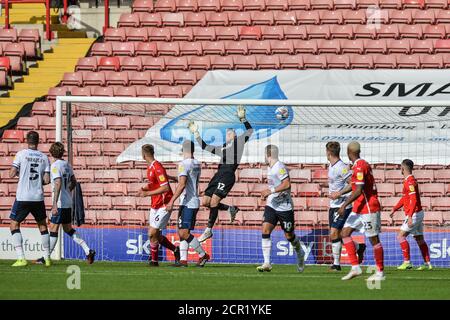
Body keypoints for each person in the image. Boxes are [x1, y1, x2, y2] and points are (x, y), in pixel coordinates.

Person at [188, 105, 253, 242]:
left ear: (235, 135)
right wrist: (196, 134)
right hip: (218, 174)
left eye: (232, 132)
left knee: (215, 201)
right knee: (206, 201)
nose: (230, 133)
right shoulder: (222, 147)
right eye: (228, 133)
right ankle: (230, 209)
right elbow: (204, 146)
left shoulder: (239, 142)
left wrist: (243, 119)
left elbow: (250, 130)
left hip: (228, 173)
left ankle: (208, 230)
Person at [34, 142, 95, 265]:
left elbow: (57, 183)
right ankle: (88, 250)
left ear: (51, 153)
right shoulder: (67, 165)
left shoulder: (55, 166)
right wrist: (68, 191)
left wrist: (55, 203)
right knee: (68, 229)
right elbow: (73, 181)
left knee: (54, 229)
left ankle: (45, 257)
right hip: (68, 202)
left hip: (61, 203)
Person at [336, 142, 385, 281]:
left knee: (374, 239)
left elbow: (358, 190)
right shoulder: (360, 165)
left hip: (368, 207)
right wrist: (339, 193)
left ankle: (380, 272)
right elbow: (353, 186)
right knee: (344, 233)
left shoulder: (359, 166)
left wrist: (344, 205)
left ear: (348, 152)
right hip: (359, 207)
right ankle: (355, 267)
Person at [257, 145, 304, 273]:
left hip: (285, 207)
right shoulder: (269, 167)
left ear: (268, 155)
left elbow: (287, 184)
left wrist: (270, 190)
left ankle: (300, 253)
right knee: (265, 229)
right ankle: (267, 263)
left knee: (289, 235)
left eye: (265, 155)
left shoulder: (280, 167)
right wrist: (267, 194)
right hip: (272, 204)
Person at [9, 131, 51, 267]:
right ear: (38, 141)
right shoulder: (44, 157)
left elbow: (11, 173)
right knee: (42, 225)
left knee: (14, 224)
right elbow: (46, 180)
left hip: (23, 196)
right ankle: (47, 258)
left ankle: (21, 258)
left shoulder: (21, 154)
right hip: (38, 197)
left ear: (27, 140)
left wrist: (21, 175)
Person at [166, 140, 210, 267]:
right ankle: (183, 260)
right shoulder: (196, 163)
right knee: (181, 231)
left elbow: (182, 184)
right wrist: (173, 177)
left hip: (188, 202)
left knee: (184, 233)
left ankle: (203, 255)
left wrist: (171, 201)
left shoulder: (183, 164)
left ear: (182, 150)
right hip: (191, 201)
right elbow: (187, 180)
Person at [138, 144, 180, 266]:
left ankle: (155, 261)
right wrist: (144, 188)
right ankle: (161, 257)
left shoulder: (157, 167)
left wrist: (147, 193)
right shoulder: (150, 167)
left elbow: (165, 187)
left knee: (152, 233)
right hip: (155, 205)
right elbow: (154, 184)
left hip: (164, 204)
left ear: (144, 154)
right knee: (155, 234)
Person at [327, 141, 366, 271]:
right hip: (333, 205)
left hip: (343, 205)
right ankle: (359, 247)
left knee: (334, 233)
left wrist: (339, 194)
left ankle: (336, 264)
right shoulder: (331, 166)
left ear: (328, 153)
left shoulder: (341, 167)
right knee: (338, 235)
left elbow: (353, 184)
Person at [390, 159, 432, 271]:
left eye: (400, 167)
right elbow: (405, 198)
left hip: (414, 214)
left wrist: (409, 216)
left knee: (400, 236)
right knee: (419, 238)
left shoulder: (410, 181)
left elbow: (413, 200)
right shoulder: (408, 181)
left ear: (403, 168)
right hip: (417, 213)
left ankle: (407, 262)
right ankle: (427, 263)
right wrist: (395, 208)